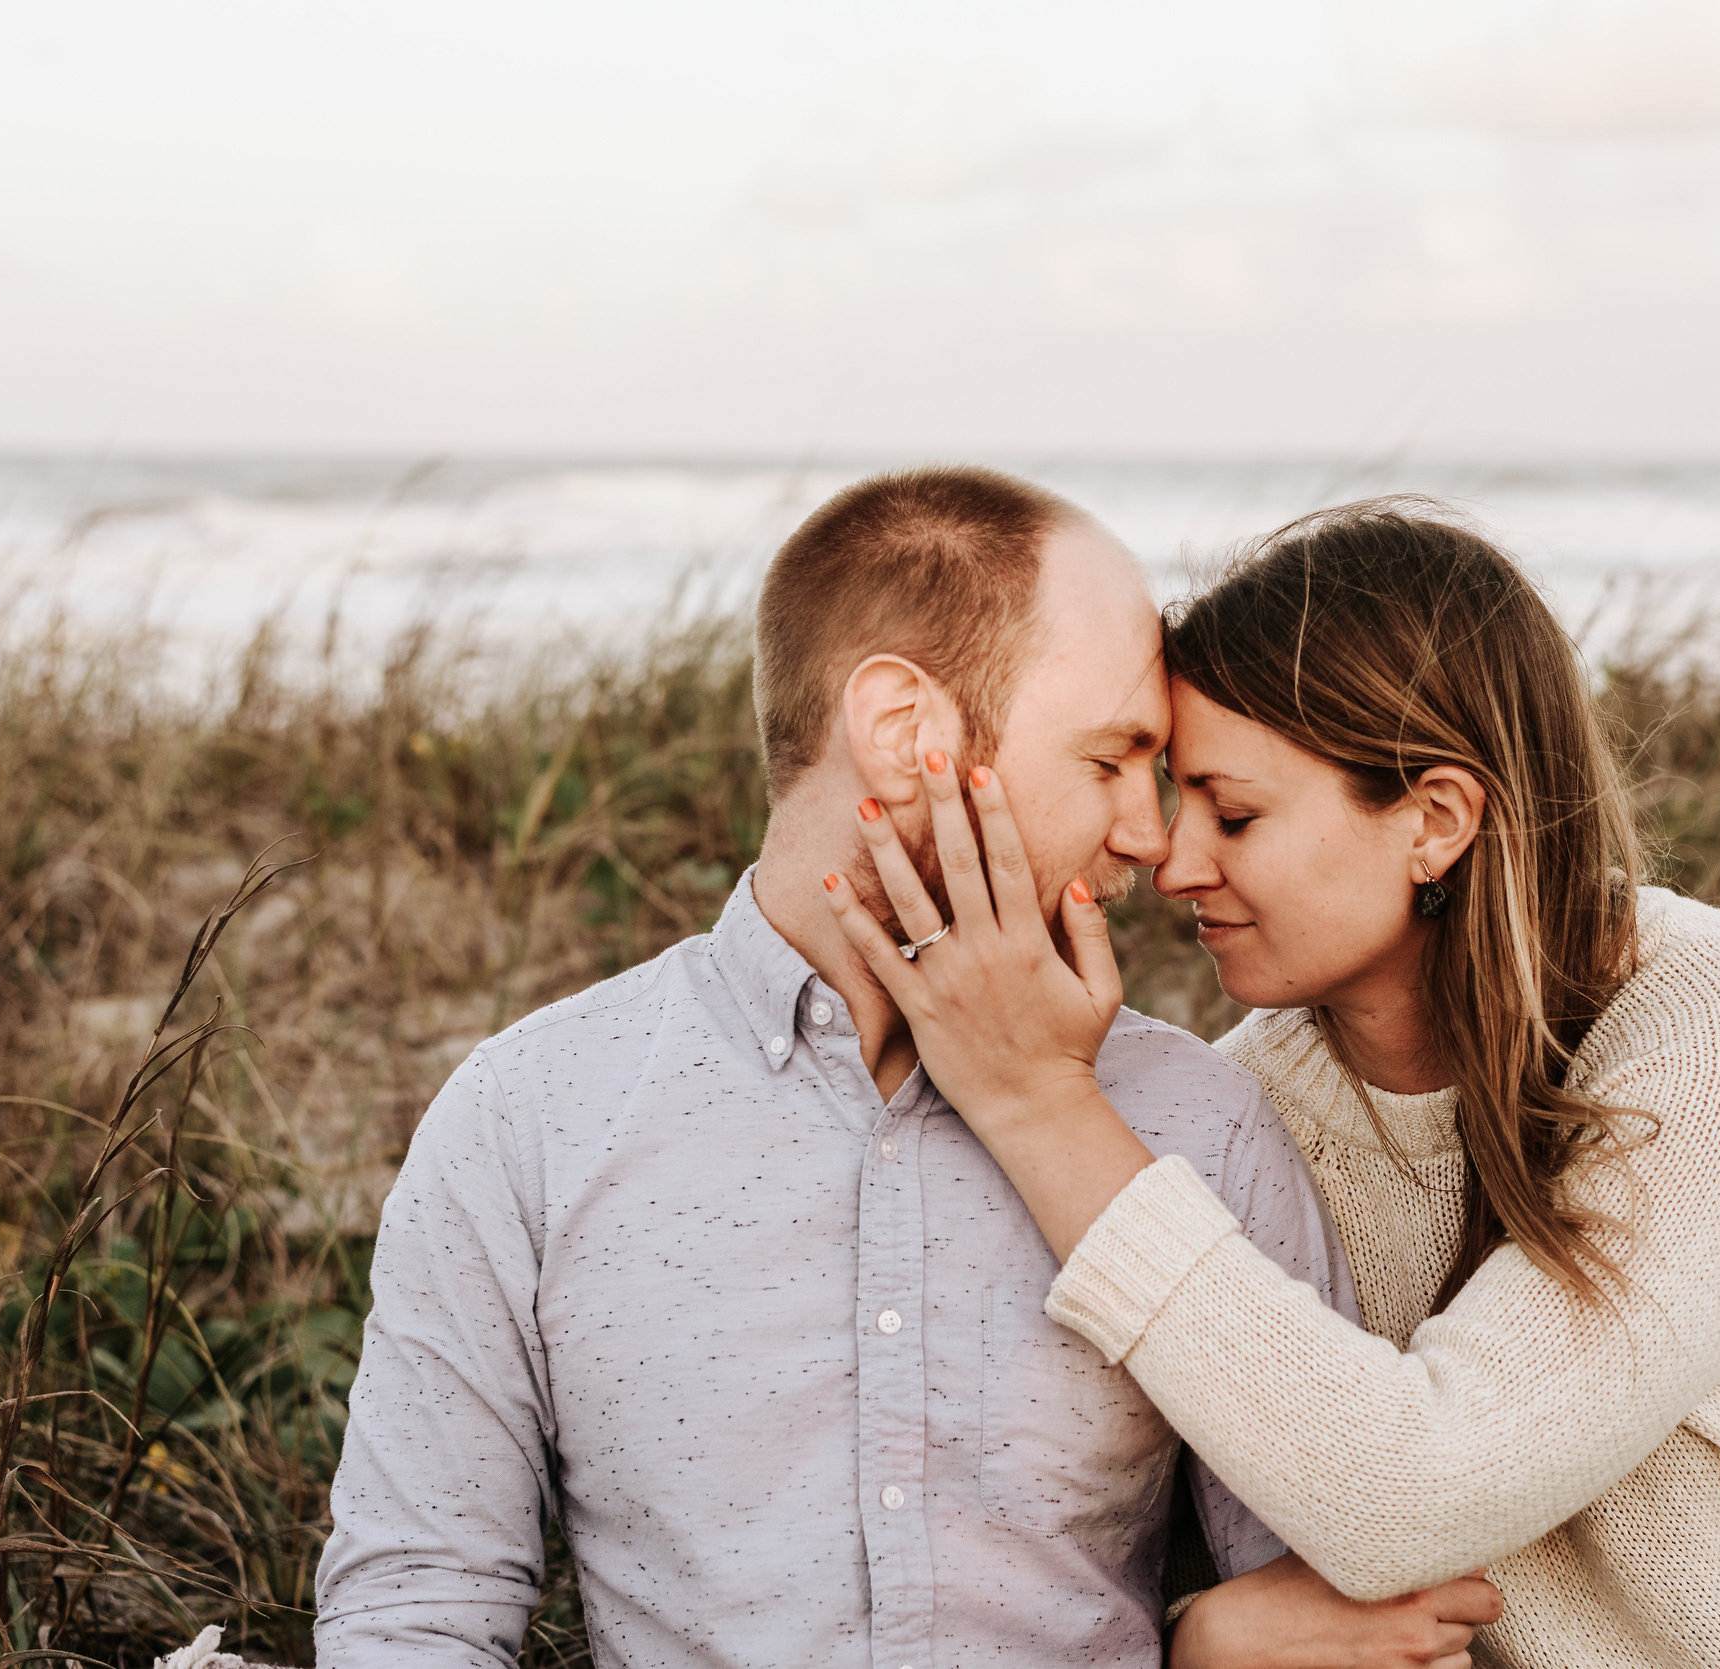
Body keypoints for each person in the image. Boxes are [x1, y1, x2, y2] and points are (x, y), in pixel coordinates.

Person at [821, 498, 1720, 1669]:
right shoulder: (1252, 1104)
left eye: (1234, 815)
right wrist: (1192, 1633)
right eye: (1172, 801)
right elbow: (1154, 1505)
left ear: (1435, 820)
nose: (1171, 864)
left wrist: (1037, 1098)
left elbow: (1413, 1487)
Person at [315, 469, 1504, 1668]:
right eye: (1109, 761)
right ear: (903, 734)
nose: (1152, 838)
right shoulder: (532, 1118)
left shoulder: (1201, 1122)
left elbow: (1350, 1622)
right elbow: (416, 1609)